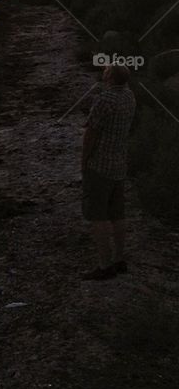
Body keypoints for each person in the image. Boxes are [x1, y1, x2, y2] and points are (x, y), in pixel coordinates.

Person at [81, 61, 136, 280]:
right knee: (117, 214)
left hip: (100, 165)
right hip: (119, 163)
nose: (103, 73)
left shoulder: (105, 100)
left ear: (110, 78)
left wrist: (84, 161)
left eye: (106, 71)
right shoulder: (130, 97)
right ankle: (119, 259)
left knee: (98, 215)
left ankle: (104, 266)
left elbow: (91, 134)